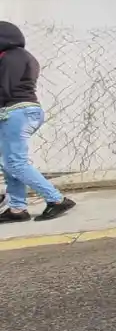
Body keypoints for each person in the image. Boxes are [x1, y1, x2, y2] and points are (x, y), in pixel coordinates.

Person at [0, 21, 76, 223]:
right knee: (10, 164)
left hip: (17, 112)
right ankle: (17, 210)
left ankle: (56, 200)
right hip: (22, 112)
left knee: (16, 162)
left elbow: (4, 89)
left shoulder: (11, 56)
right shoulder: (21, 56)